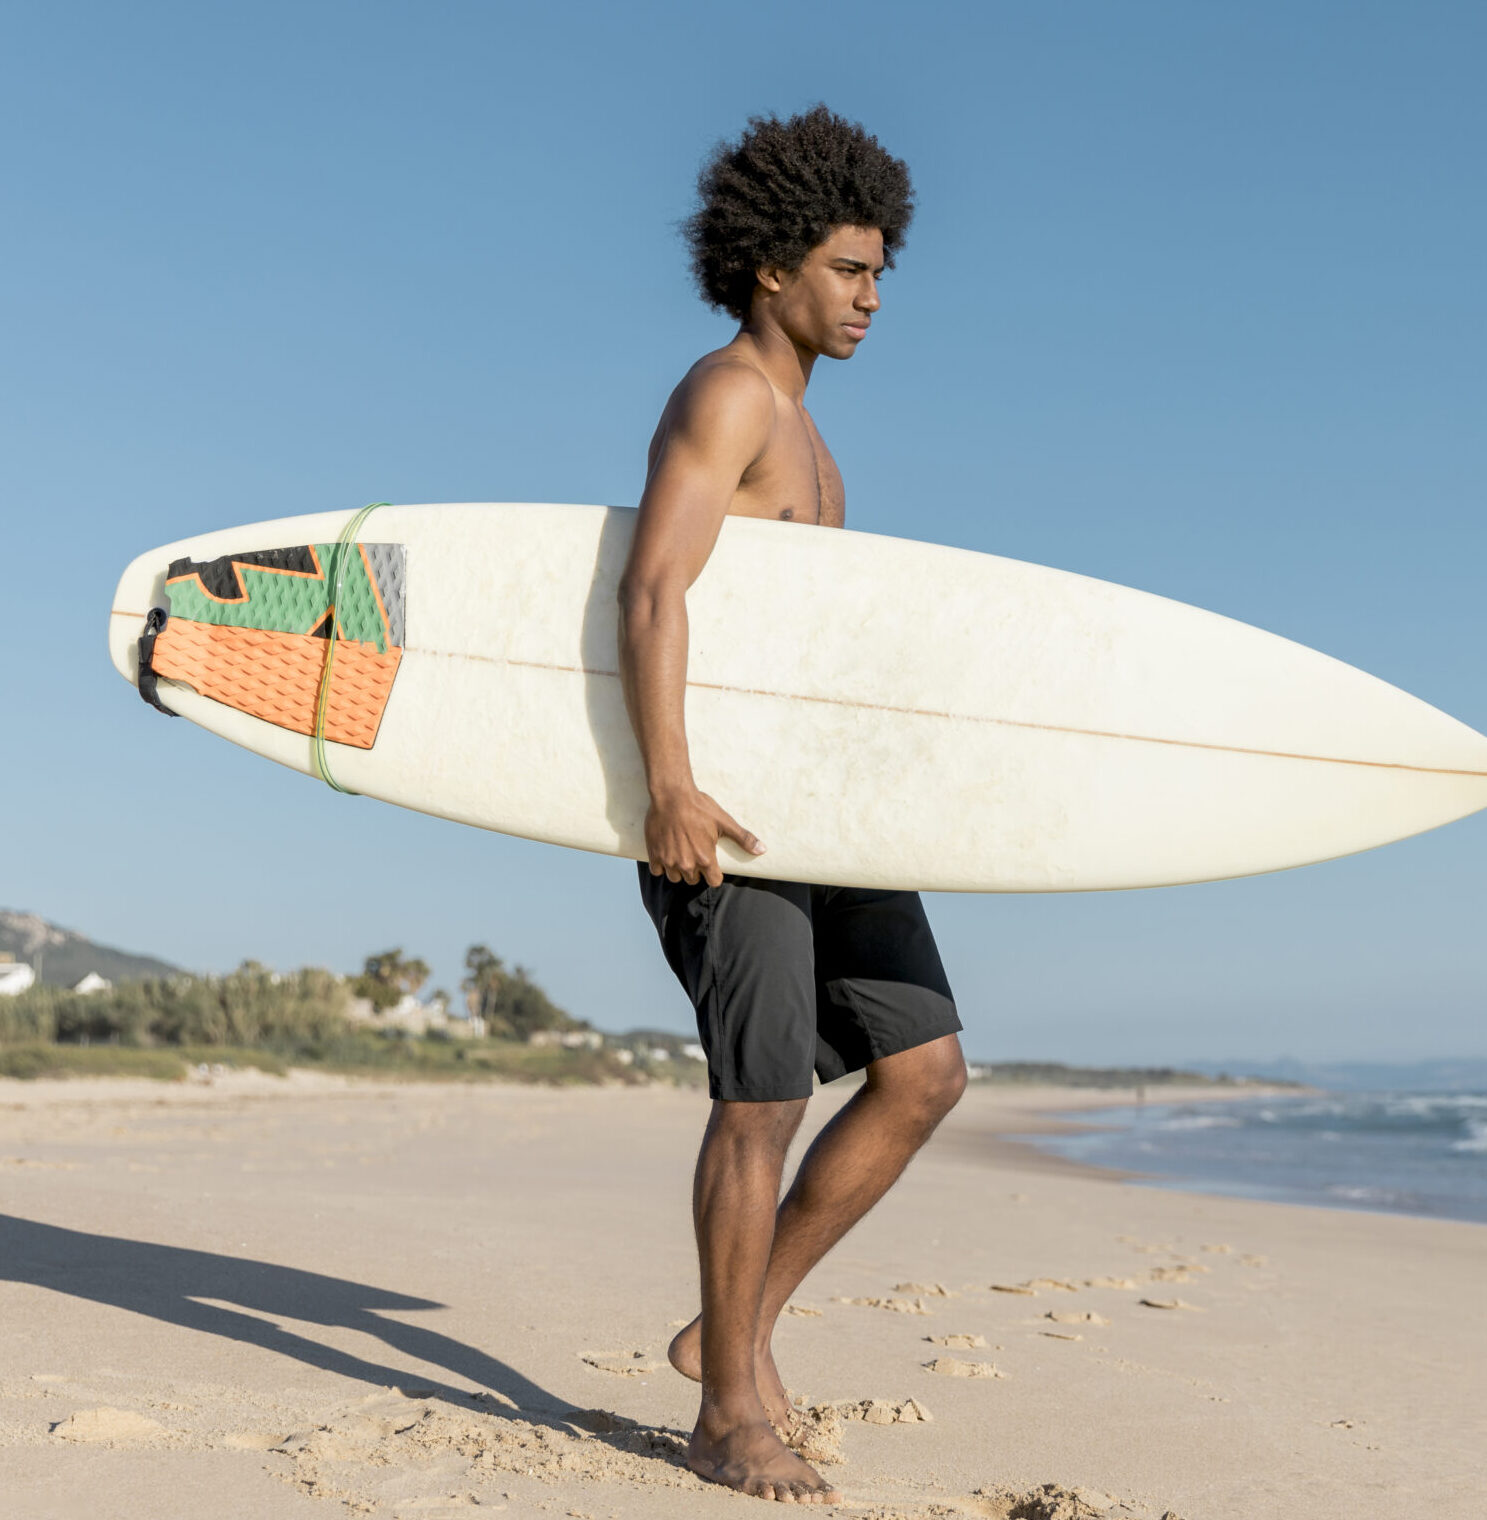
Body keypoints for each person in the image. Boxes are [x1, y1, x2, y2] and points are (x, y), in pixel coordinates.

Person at [616, 106, 968, 1505]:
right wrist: (669, 786)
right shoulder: (728, 399)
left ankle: (731, 1330)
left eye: (882, 271)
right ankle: (726, 1414)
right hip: (730, 813)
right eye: (847, 269)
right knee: (760, 1102)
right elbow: (654, 591)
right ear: (772, 267)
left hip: (825, 811)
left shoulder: (814, 438)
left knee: (925, 1070)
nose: (872, 297)